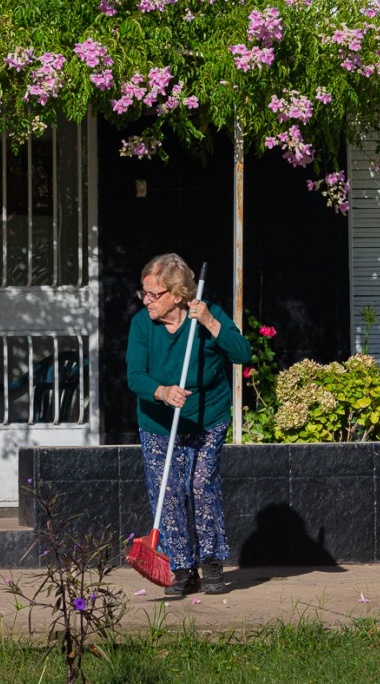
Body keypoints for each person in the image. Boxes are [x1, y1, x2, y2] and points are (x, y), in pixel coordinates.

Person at [126, 253, 251, 596]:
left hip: (207, 416)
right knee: (168, 490)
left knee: (200, 483)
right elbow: (135, 376)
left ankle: (210, 560)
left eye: (154, 294)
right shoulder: (142, 325)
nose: (147, 300)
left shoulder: (206, 317)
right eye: (144, 293)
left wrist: (211, 322)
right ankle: (181, 567)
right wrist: (162, 391)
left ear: (178, 295)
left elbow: (242, 354)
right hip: (159, 421)